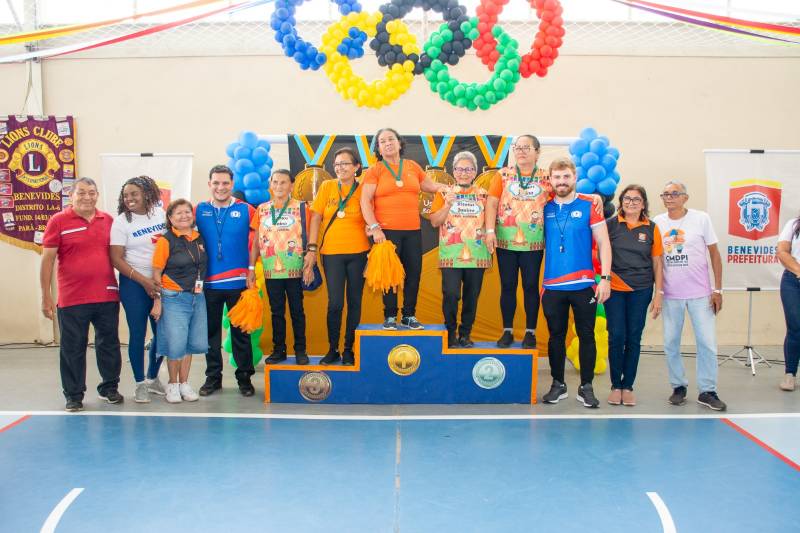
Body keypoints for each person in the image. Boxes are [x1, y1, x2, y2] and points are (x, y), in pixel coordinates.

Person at [40, 177, 123, 412]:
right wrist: (46, 296)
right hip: (72, 298)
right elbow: (47, 260)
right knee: (72, 348)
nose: (87, 197)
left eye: (92, 193)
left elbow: (119, 255)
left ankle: (109, 388)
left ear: (97, 195)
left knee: (109, 344)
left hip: (107, 296)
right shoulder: (58, 221)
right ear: (71, 196)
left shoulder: (108, 220)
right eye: (82, 193)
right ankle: (74, 395)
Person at [540, 157, 611, 409]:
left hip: (584, 285)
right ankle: (558, 384)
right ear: (550, 180)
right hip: (553, 287)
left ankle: (586, 387)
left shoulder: (590, 204)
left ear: (575, 178)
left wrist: (605, 279)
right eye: (557, 177)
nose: (561, 182)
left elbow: (604, 243)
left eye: (566, 176)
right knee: (555, 337)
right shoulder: (543, 207)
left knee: (587, 335)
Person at [360, 127, 447, 330]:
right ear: (378, 149)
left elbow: (430, 186)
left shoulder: (412, 166)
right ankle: (390, 316)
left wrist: (446, 188)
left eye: (391, 139)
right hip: (385, 233)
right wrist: (375, 228)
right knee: (389, 274)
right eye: (382, 141)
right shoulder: (375, 170)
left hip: (413, 231)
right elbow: (364, 201)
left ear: (399, 143)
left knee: (413, 273)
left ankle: (409, 315)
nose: (388, 143)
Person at [653, 181, 726, 411]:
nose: (669, 197)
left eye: (674, 193)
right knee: (670, 343)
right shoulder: (657, 222)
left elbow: (715, 254)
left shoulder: (701, 219)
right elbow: (656, 260)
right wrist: (658, 292)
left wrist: (718, 289)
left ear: (685, 197)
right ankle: (678, 386)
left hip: (700, 295)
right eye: (665, 194)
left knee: (707, 343)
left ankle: (707, 390)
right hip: (671, 295)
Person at [194, 165, 257, 397]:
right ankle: (213, 378)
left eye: (225, 183)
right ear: (209, 184)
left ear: (232, 184)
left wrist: (252, 268)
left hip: (238, 282)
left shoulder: (247, 210)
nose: (220, 187)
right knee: (210, 334)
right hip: (208, 284)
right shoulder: (198, 210)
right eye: (216, 183)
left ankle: (244, 379)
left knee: (241, 334)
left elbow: (259, 240)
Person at [484, 135, 550, 348]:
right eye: (517, 147)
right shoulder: (503, 175)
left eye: (526, 148)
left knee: (530, 286)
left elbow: (565, 195)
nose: (521, 151)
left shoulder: (546, 176)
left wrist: (593, 197)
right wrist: (490, 231)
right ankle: (507, 331)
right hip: (506, 242)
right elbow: (492, 203)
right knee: (508, 286)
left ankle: (530, 332)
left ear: (537, 152)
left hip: (533, 243)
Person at [305, 148, 369, 366]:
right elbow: (316, 217)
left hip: (359, 253)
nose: (340, 168)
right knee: (335, 304)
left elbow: (372, 217)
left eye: (345, 164)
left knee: (354, 302)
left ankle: (349, 349)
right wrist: (312, 248)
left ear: (356, 167)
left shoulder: (364, 189)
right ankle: (333, 349)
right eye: (337, 164)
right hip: (331, 254)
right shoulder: (327, 186)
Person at [604, 184, 664, 406]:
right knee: (616, 336)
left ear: (643, 204)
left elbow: (657, 263)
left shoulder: (652, 228)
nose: (631, 203)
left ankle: (628, 386)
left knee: (633, 338)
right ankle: (615, 386)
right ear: (621, 202)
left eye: (636, 199)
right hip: (614, 289)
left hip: (641, 290)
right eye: (627, 198)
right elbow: (599, 254)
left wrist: (658, 294)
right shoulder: (610, 225)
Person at [110, 176, 167, 403]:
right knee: (137, 334)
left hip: (159, 282)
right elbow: (116, 259)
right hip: (133, 283)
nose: (129, 198)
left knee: (163, 334)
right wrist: (144, 281)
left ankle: (153, 378)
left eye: (134, 194)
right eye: (126, 195)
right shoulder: (121, 222)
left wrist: (157, 281)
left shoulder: (160, 214)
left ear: (147, 193)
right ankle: (140, 383)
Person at [249, 169, 312, 365]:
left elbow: (311, 236)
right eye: (275, 182)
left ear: (291, 186)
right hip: (271, 271)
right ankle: (279, 350)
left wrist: (310, 264)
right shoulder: (262, 209)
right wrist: (251, 268)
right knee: (276, 312)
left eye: (283, 182)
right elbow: (256, 242)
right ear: (270, 185)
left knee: (297, 311)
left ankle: (300, 350)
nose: (279, 186)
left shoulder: (302, 208)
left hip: (295, 269)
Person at [430, 151, 491, 348]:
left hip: (478, 253)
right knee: (451, 294)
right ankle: (450, 334)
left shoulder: (484, 194)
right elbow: (434, 221)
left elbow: (492, 222)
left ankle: (465, 334)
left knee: (471, 297)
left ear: (475, 172)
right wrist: (447, 205)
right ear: (453, 171)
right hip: (451, 254)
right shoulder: (443, 193)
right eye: (459, 169)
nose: (464, 173)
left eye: (468, 169)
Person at [150, 199, 207, 403]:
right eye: (178, 213)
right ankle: (172, 384)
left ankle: (184, 383)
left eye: (187, 212)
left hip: (197, 296)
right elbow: (156, 271)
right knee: (175, 344)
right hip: (173, 297)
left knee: (190, 343)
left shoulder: (199, 238)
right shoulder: (166, 241)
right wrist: (158, 300)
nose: (184, 216)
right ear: (170, 218)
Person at [776, 213, 800, 391]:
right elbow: (782, 251)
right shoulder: (793, 224)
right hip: (793, 280)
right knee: (795, 327)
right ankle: (790, 374)